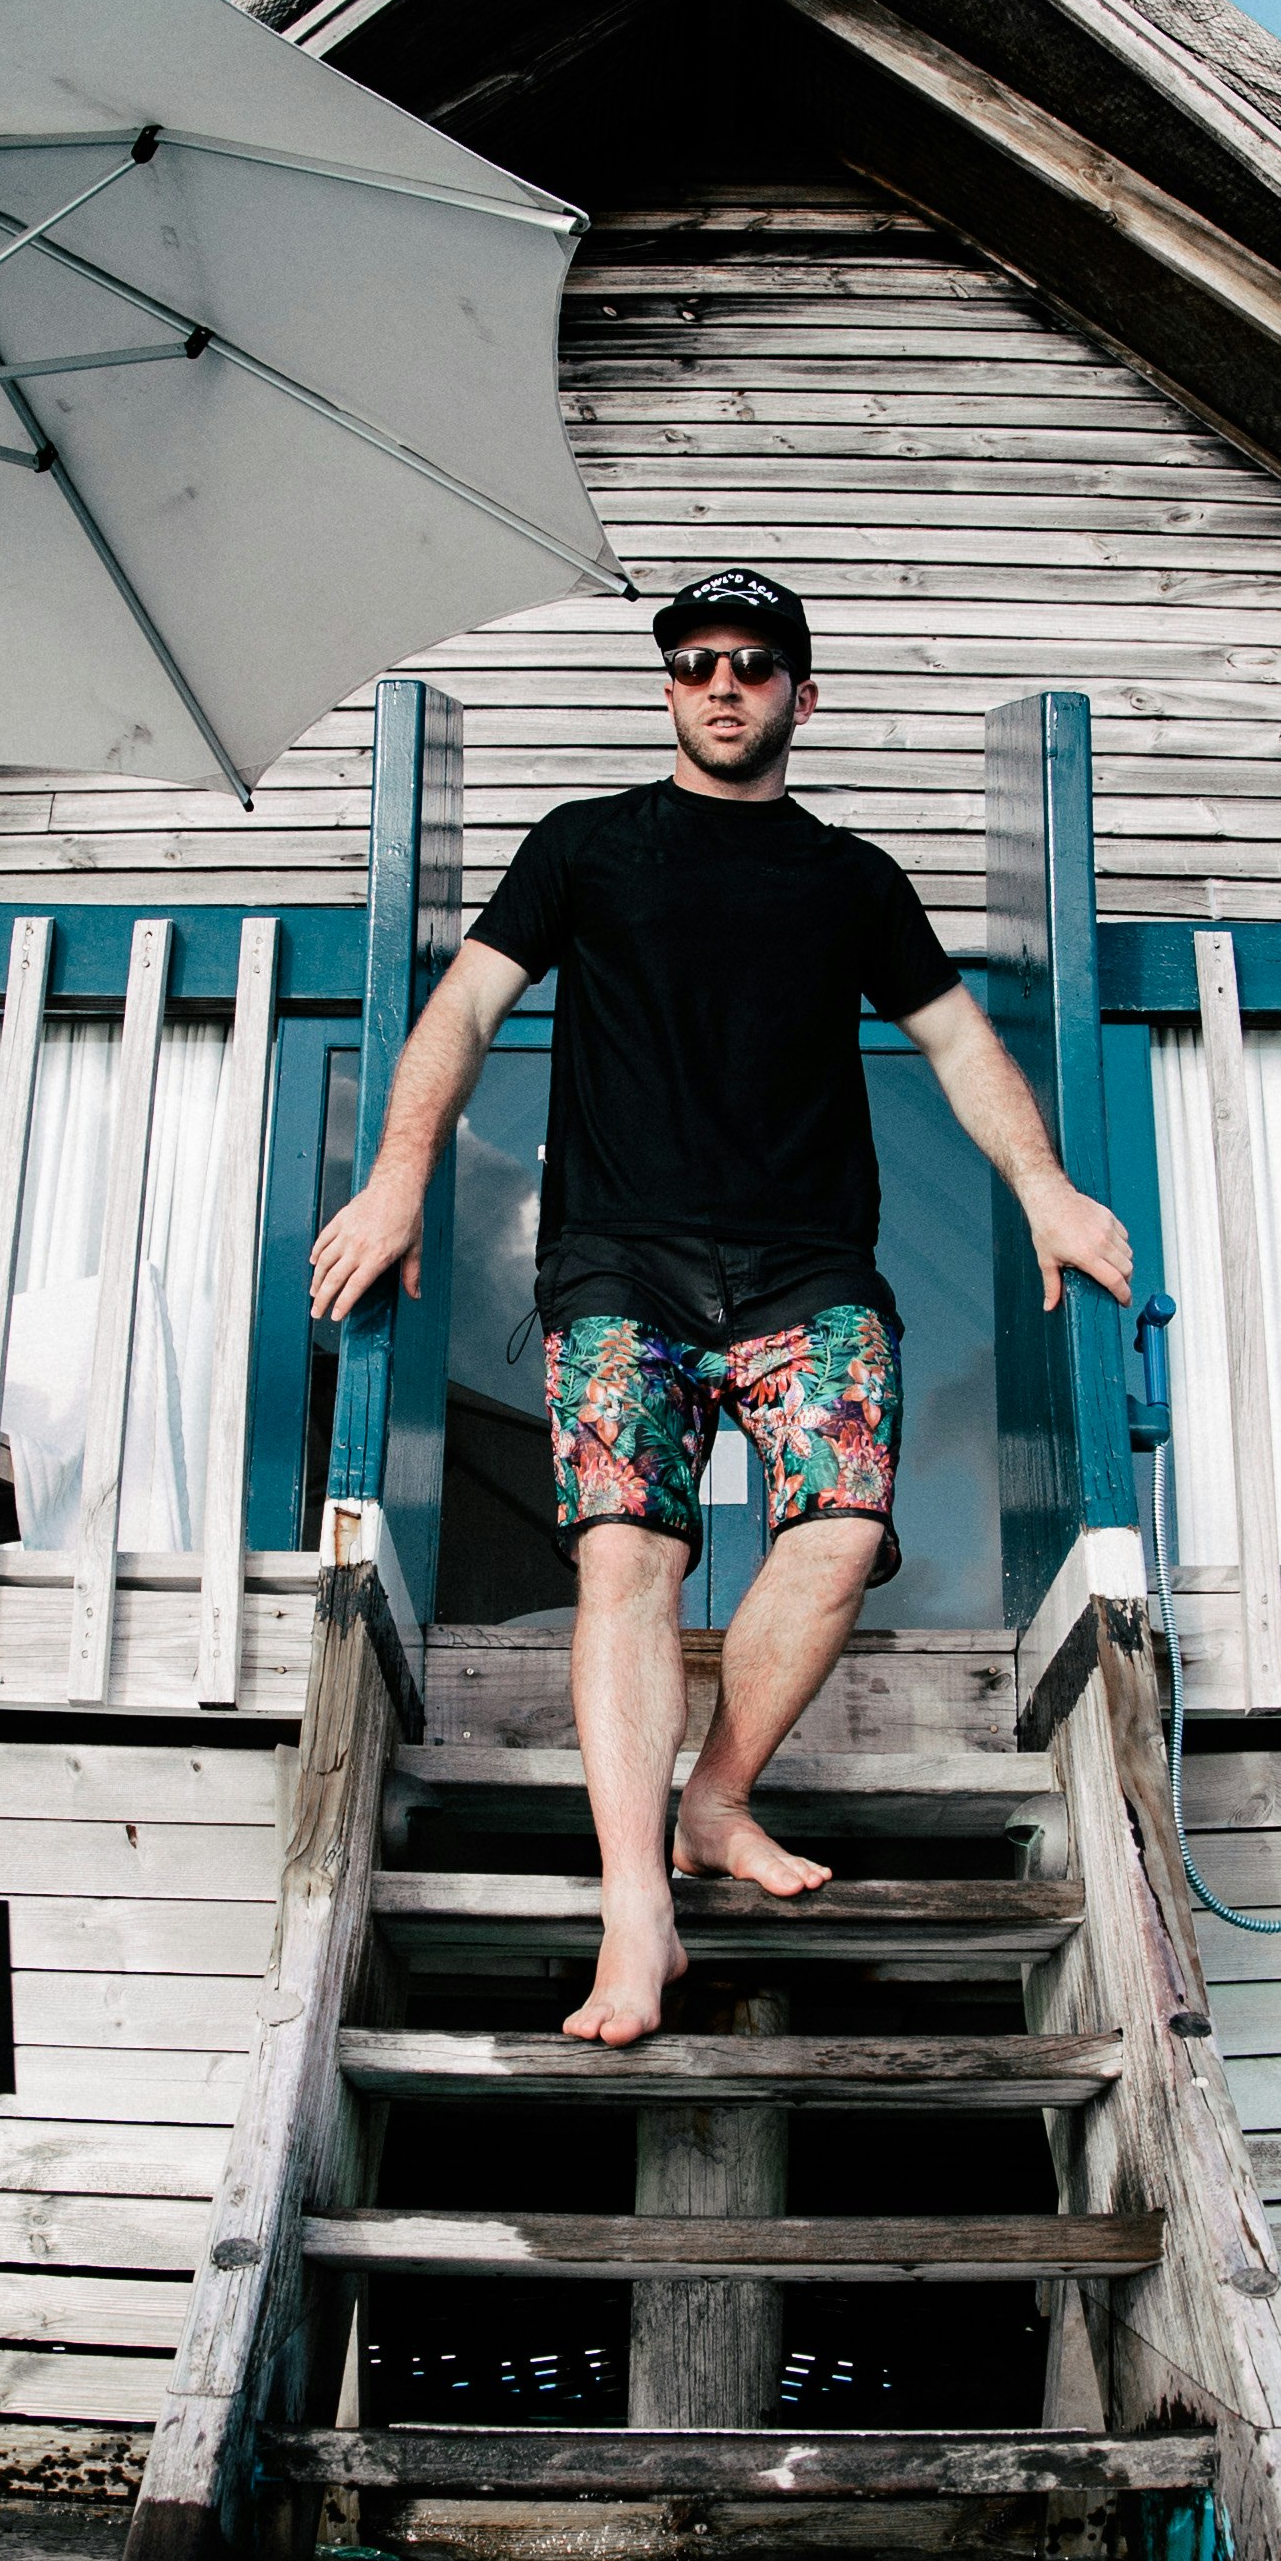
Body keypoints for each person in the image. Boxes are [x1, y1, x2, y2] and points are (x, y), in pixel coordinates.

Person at [304, 566, 1137, 2045]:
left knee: (840, 1530)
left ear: (801, 696)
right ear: (670, 690)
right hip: (620, 1260)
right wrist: (399, 1178)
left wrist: (1048, 1191)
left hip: (806, 1266)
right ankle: (637, 1909)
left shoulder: (853, 881)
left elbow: (956, 1049)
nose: (722, 685)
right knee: (629, 1551)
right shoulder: (585, 851)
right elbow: (464, 1014)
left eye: (753, 662)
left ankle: (719, 1794)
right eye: (693, 664)